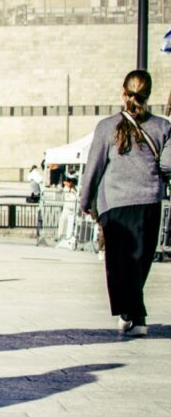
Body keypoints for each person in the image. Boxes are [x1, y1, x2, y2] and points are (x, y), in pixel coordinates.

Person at [79, 69, 171, 337]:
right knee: (140, 261)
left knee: (120, 264)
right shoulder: (163, 127)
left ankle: (135, 315)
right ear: (148, 94)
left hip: (116, 205)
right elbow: (167, 164)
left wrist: (86, 201)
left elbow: (93, 168)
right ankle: (132, 312)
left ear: (124, 92)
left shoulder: (106, 127)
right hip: (150, 201)